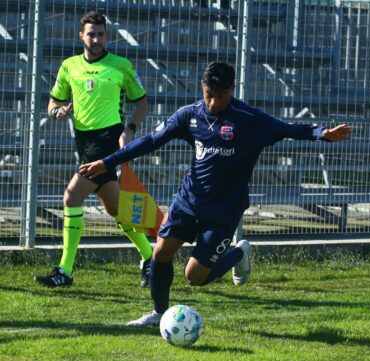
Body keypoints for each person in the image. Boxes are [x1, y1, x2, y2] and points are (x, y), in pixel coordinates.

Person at [79, 61, 352, 327]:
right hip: (189, 200)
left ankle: (237, 254)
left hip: (224, 209)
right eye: (209, 95)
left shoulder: (249, 119)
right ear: (202, 87)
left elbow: (288, 129)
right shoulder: (190, 114)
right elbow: (151, 140)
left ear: (232, 90)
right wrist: (109, 161)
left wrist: (323, 133)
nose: (212, 103)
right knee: (160, 253)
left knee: (194, 277)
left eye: (220, 97)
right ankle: (158, 314)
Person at [34, 11, 154, 288]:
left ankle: (65, 271)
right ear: (82, 36)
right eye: (91, 34)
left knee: (71, 197)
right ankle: (151, 257)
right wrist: (57, 113)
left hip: (108, 142)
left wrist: (130, 129)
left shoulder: (121, 66)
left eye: (100, 34)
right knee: (116, 209)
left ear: (106, 36)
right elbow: (53, 103)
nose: (96, 39)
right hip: (84, 142)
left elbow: (142, 103)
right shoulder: (69, 67)